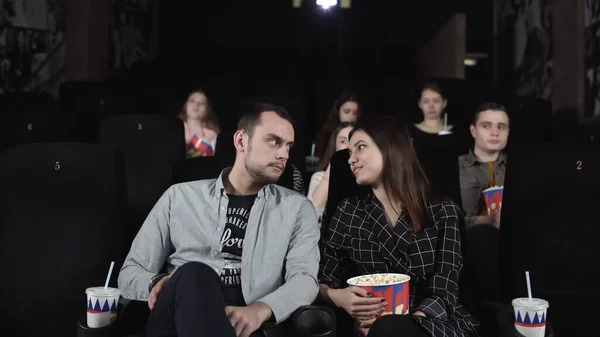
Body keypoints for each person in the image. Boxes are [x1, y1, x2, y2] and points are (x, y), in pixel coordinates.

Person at [118, 103, 321, 337]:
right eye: (274, 141)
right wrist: (157, 283)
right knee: (195, 274)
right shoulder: (179, 197)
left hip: (249, 326)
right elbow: (129, 273)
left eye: (288, 146)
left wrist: (261, 310)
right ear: (241, 141)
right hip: (179, 320)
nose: (284, 154)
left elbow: (305, 280)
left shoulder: (296, 209)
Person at [318, 116, 478, 337]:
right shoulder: (349, 211)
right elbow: (323, 279)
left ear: (390, 148)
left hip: (435, 323)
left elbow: (446, 288)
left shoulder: (442, 210)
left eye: (361, 147)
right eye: (349, 152)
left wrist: (403, 324)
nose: (351, 160)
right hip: (370, 323)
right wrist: (339, 298)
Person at [459, 103, 510, 229]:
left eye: (501, 127)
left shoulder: (521, 168)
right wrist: (482, 221)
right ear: (473, 130)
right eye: (486, 126)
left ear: (508, 132)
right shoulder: (454, 167)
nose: (495, 133)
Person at [307, 122, 354, 222]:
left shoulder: (364, 178)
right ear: (335, 146)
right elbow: (312, 212)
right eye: (343, 141)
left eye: (352, 140)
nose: (348, 146)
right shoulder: (319, 177)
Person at [408, 83, 469, 154]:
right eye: (426, 101)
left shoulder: (458, 132)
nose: (431, 106)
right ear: (419, 104)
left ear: (444, 103)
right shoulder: (409, 132)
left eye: (436, 101)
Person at [314, 91, 360, 158]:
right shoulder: (325, 136)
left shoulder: (361, 134)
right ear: (338, 111)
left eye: (355, 113)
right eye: (346, 112)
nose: (351, 116)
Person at [178, 89, 221, 158]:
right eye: (192, 101)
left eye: (202, 103)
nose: (196, 105)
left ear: (207, 109)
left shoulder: (213, 135)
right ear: (185, 105)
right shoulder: (175, 129)